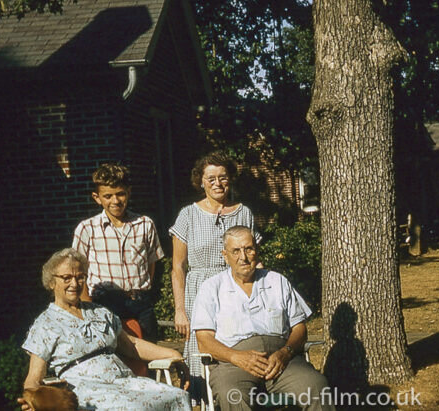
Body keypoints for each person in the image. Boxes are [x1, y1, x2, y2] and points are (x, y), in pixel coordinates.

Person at [18, 248, 191, 411]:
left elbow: (131, 345)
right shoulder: (46, 324)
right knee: (134, 408)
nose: (74, 283)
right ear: (51, 282)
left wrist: (172, 354)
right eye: (66, 278)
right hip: (86, 389)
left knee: (177, 396)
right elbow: (34, 376)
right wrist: (32, 398)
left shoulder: (99, 312)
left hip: (124, 381)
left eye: (80, 277)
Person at [192, 226, 333, 411]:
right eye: (236, 251)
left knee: (316, 386)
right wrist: (236, 357)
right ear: (225, 256)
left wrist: (286, 352)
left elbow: (299, 328)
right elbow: (204, 341)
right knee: (232, 395)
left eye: (248, 249)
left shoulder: (277, 281)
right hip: (234, 363)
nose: (243, 257)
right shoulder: (211, 288)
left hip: (281, 361)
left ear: (256, 251)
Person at [170, 151, 261, 381]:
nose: (217, 183)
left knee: (239, 339)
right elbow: (178, 267)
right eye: (211, 179)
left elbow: (255, 259)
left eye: (223, 177)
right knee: (202, 344)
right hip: (200, 289)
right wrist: (180, 310)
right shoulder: (188, 215)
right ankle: (204, 398)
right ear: (201, 181)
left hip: (236, 287)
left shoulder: (245, 212)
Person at [72, 163, 164, 341]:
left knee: (150, 354)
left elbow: (152, 262)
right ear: (97, 198)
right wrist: (86, 306)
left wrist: (144, 291)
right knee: (112, 353)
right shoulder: (87, 228)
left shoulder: (145, 224)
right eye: (108, 196)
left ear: (128, 192)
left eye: (120, 194)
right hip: (104, 302)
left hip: (140, 302)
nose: (115, 201)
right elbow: (77, 271)